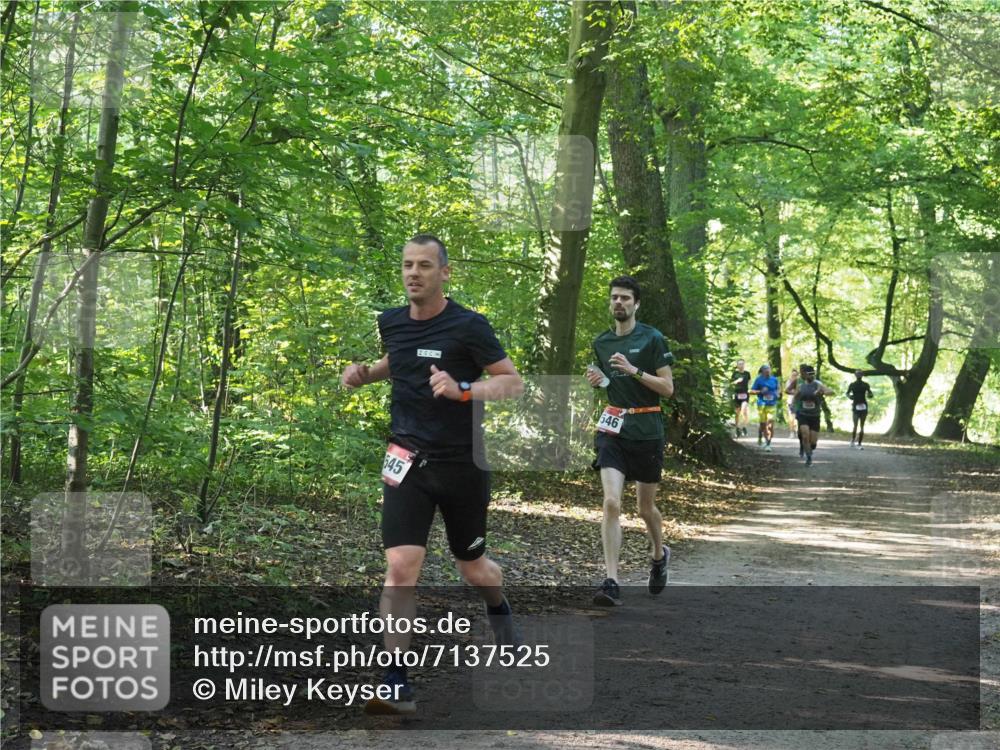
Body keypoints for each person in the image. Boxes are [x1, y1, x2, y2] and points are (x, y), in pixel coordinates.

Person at [341, 234, 524, 715]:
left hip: (463, 466)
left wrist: (463, 387)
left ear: (444, 273)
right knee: (401, 565)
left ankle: (498, 607)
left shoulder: (469, 326)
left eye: (424, 265)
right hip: (407, 463)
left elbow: (512, 382)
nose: (413, 273)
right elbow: (398, 362)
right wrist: (365, 373)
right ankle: (394, 679)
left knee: (472, 569)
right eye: (406, 265)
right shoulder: (392, 323)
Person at [585, 275, 675, 607]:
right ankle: (611, 580)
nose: (618, 303)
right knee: (611, 502)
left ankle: (658, 554)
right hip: (613, 427)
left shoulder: (652, 338)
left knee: (644, 507)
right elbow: (612, 383)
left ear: (636, 303)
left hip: (647, 428)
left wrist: (634, 370)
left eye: (625, 298)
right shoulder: (602, 342)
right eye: (614, 298)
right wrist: (600, 380)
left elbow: (667, 389)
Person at [785, 365, 833, 466]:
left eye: (812, 374)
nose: (810, 376)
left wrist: (823, 392)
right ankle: (809, 457)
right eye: (808, 374)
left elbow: (831, 392)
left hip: (815, 415)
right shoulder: (800, 386)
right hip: (803, 414)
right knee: (805, 436)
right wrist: (793, 403)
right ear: (805, 375)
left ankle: (809, 447)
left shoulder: (818, 384)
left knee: (813, 442)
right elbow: (793, 396)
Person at [749, 364, 779, 451]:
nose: (768, 371)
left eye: (769, 369)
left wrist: (777, 393)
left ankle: (768, 443)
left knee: (770, 424)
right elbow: (751, 391)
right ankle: (760, 436)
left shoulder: (774, 379)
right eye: (766, 370)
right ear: (762, 371)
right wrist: (760, 391)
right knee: (763, 424)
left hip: (772, 404)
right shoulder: (759, 380)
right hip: (762, 404)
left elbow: (778, 388)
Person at [847, 370, 874, 449]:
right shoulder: (855, 385)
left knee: (859, 425)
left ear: (862, 375)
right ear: (855, 375)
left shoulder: (864, 385)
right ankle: (855, 442)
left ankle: (857, 443)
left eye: (859, 374)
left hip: (861, 405)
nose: (858, 375)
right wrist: (849, 396)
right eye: (857, 374)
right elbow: (847, 393)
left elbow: (870, 393)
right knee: (858, 425)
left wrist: (870, 395)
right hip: (859, 405)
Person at [731, 359, 751, 438]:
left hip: (745, 394)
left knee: (744, 411)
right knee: (737, 413)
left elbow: (749, 382)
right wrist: (737, 381)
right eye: (739, 364)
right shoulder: (735, 374)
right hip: (737, 394)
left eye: (742, 364)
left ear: (744, 364)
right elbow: (731, 383)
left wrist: (749, 389)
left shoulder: (747, 373)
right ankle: (737, 428)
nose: (741, 365)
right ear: (737, 365)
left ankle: (744, 426)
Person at [786, 367, 800, 440]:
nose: (794, 376)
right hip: (790, 402)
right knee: (791, 418)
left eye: (795, 375)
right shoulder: (789, 382)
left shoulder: (800, 382)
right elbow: (787, 391)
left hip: (798, 402)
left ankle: (797, 431)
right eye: (792, 375)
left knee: (797, 419)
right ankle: (791, 433)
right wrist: (795, 392)